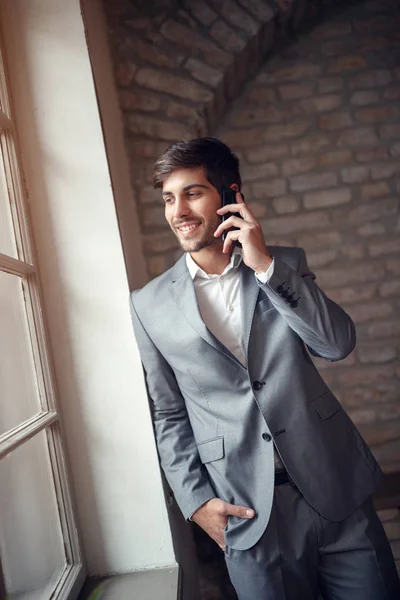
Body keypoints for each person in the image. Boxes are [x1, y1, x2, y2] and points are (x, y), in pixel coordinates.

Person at [130, 138, 399, 600]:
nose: (178, 211)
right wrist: (197, 503)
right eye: (169, 199)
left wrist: (267, 267)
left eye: (193, 193)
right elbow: (168, 414)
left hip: (334, 488)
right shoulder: (148, 304)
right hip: (245, 511)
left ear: (230, 196)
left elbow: (336, 344)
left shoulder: (285, 265)